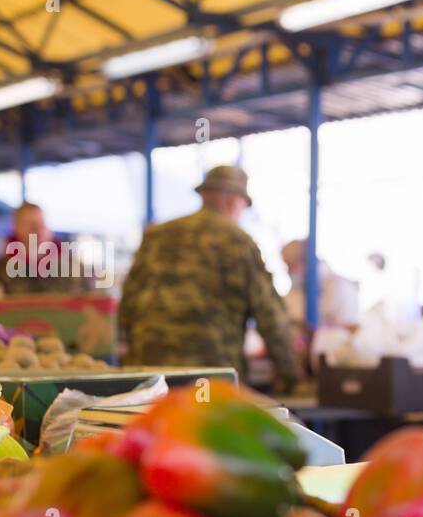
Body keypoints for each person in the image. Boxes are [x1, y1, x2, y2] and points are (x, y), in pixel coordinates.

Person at [118, 166, 298, 389]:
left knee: (155, 425)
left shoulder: (156, 236)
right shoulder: (238, 241)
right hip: (211, 373)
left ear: (204, 195)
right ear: (234, 201)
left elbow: (127, 304)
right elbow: (271, 317)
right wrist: (291, 376)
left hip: (149, 373)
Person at [0, 202, 88, 295]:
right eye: (30, 224)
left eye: (42, 223)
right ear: (16, 227)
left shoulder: (76, 269)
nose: (37, 229)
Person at [281, 239, 361, 328]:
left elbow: (345, 328)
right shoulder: (297, 290)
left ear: (304, 260)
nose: (288, 271)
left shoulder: (340, 286)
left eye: (290, 265)